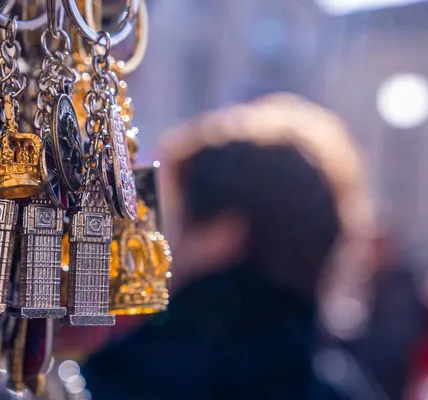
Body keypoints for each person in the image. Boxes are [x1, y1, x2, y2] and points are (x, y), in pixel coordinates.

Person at [82, 93, 376, 399]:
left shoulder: (116, 377)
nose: (162, 243)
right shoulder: (339, 389)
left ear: (222, 237)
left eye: (178, 222)